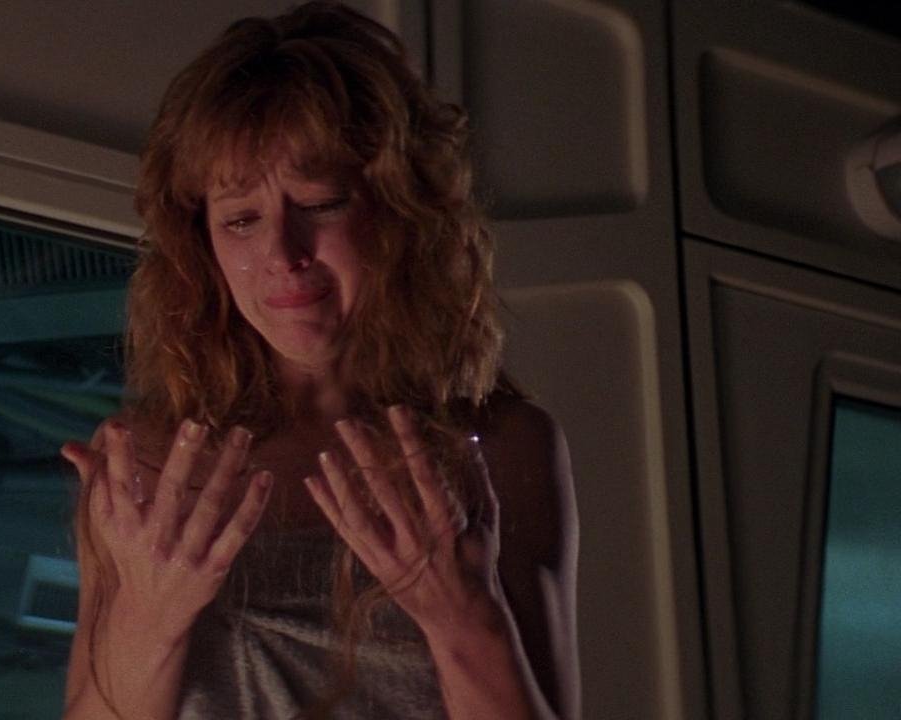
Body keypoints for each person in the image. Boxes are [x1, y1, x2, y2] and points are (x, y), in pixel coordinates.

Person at [59, 3, 579, 718]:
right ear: (202, 244)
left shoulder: (500, 447)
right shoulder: (150, 462)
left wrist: (464, 617)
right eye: (241, 219)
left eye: (321, 202)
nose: (282, 253)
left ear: (400, 210)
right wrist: (149, 617)